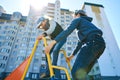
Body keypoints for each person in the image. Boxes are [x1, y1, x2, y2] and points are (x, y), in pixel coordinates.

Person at [45, 10, 106, 80]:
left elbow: (67, 31)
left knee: (76, 73)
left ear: (78, 15)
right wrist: (71, 56)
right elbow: (79, 44)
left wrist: (52, 43)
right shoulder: (86, 25)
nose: (73, 18)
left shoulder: (78, 20)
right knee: (82, 74)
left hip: (92, 42)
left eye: (74, 16)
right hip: (100, 45)